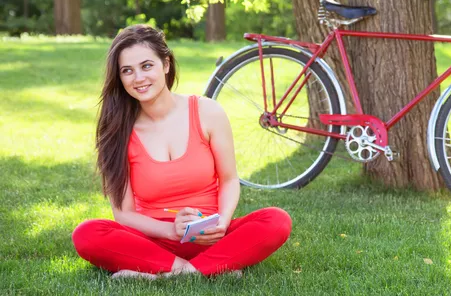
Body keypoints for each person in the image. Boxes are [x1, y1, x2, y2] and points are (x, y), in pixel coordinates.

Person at [72, 24, 292, 279]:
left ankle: (165, 272)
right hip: (154, 238)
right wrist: (171, 232)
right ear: (119, 78)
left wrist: (221, 223)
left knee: (276, 220)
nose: (138, 78)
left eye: (146, 66)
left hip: (211, 234)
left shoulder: (207, 112)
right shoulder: (117, 130)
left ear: (165, 64)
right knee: (87, 234)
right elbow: (124, 213)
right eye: (127, 71)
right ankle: (206, 269)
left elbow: (229, 180)